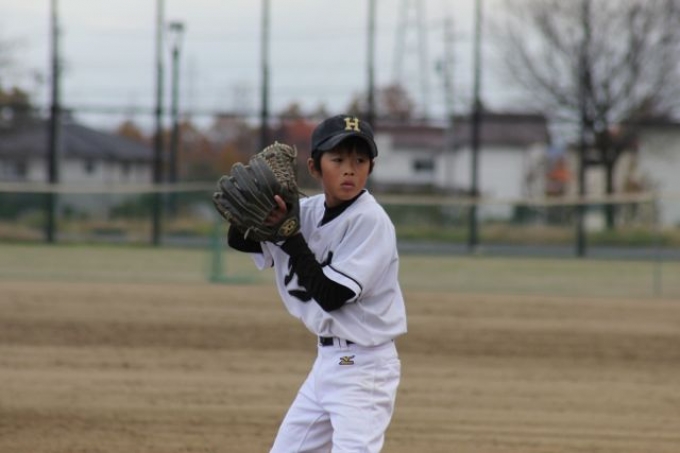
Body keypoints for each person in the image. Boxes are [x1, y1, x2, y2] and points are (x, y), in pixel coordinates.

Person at [227, 114, 407, 453]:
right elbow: (244, 242)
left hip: (363, 368)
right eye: (337, 160)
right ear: (314, 167)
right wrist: (252, 212)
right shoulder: (305, 212)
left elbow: (332, 295)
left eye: (360, 161)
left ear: (371, 167)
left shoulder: (370, 221)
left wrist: (289, 236)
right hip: (326, 363)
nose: (349, 170)